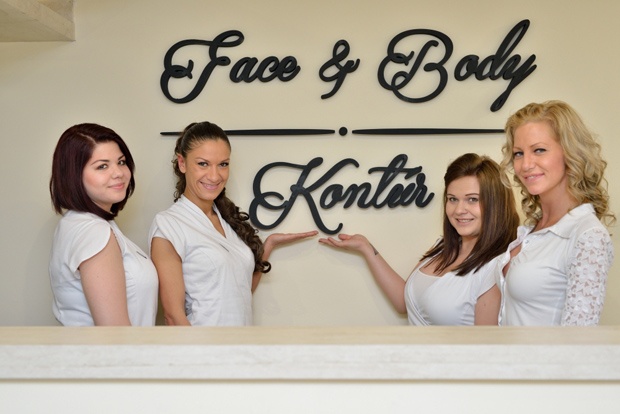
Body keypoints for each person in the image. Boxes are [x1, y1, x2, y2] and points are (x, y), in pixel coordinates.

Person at [320, 153, 519, 325]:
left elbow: (485, 347)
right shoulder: (442, 246)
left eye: (472, 199)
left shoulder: (497, 266)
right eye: (452, 199)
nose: (459, 210)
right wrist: (366, 248)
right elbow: (403, 303)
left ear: (496, 203)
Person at [149, 121, 317, 326]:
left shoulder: (226, 220)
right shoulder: (169, 225)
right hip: (202, 344)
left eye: (223, 164)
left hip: (240, 342)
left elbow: (239, 293)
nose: (214, 176)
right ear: (182, 163)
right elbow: (173, 316)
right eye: (203, 164)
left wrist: (269, 244)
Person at [497, 100, 615, 326]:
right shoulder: (530, 230)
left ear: (570, 153)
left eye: (539, 150)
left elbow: (578, 337)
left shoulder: (587, 235)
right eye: (518, 153)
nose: (525, 164)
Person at [49, 124, 158, 326]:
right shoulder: (93, 232)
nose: (118, 173)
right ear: (74, 175)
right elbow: (114, 333)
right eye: (102, 166)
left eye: (121, 162)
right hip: (114, 348)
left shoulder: (75, 223)